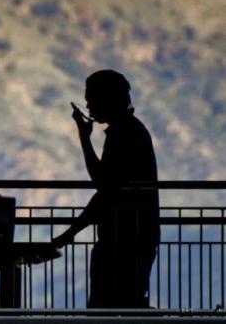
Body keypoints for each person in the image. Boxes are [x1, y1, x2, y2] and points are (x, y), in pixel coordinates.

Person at [52, 69, 159, 308]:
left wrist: (84, 137)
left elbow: (104, 186)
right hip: (134, 238)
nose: (88, 104)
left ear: (108, 98)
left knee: (106, 307)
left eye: (91, 97)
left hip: (124, 242)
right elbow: (106, 188)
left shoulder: (123, 134)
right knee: (126, 304)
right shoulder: (130, 130)